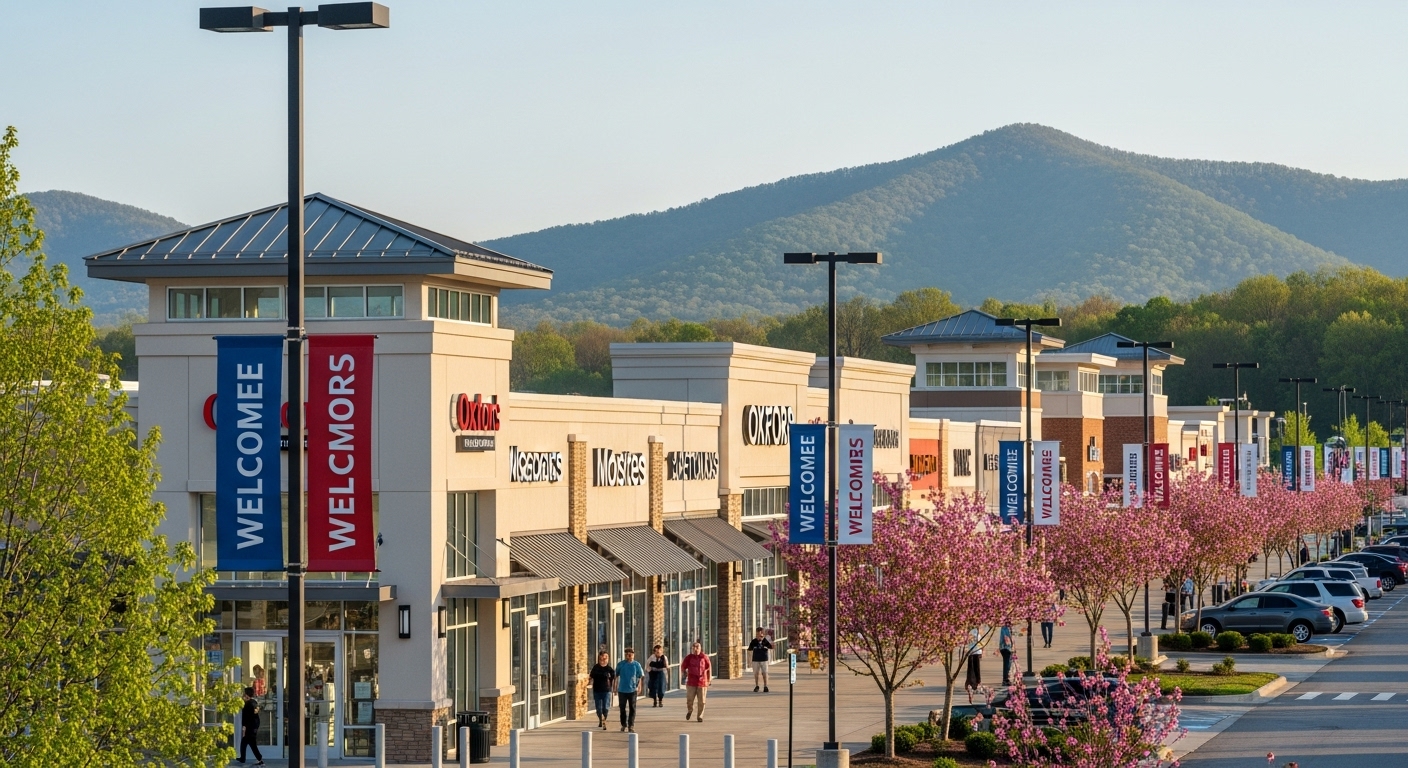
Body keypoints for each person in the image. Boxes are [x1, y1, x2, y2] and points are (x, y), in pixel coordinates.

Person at [614, 648, 645, 732]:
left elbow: (640, 676)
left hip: (632, 689)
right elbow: (616, 676)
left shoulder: (636, 665)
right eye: (627, 654)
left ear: (633, 655)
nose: (629, 656)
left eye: (630, 654)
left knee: (632, 708)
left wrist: (639, 686)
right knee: (622, 708)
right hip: (622, 690)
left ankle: (631, 725)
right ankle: (623, 724)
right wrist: (615, 687)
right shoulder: (621, 664)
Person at [682, 641, 711, 722]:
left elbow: (708, 669)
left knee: (702, 701)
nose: (695, 649)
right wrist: (684, 674)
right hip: (691, 682)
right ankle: (690, 710)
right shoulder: (689, 657)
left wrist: (709, 679)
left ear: (700, 648)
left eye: (697, 647)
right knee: (690, 699)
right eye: (694, 647)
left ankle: (700, 716)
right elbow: (683, 666)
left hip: (702, 682)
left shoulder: (704, 657)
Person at [238, 686, 265, 766]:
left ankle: (259, 759)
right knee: (247, 742)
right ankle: (244, 758)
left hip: (250, 727)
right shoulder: (254, 702)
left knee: (249, 743)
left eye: (244, 693)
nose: (243, 695)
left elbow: (246, 717)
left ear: (247, 695)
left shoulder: (247, 705)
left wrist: (244, 728)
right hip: (254, 726)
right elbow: (256, 712)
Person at [589, 651, 616, 729]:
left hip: (606, 690)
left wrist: (614, 689)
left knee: (605, 707)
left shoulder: (609, 669)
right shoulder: (596, 667)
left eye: (606, 658)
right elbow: (591, 677)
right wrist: (589, 683)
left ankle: (604, 719)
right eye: (602, 658)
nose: (604, 660)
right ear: (599, 658)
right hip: (597, 690)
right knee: (598, 708)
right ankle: (600, 719)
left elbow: (614, 679)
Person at [747, 628, 773, 693]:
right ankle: (757, 686)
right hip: (755, 659)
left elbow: (771, 647)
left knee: (765, 673)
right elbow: (749, 649)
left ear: (762, 634)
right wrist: (749, 660)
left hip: (764, 659)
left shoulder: (765, 641)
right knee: (756, 673)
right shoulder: (754, 641)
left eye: (760, 633)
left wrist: (764, 644)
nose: (759, 635)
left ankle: (765, 686)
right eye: (757, 633)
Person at [963, 628, 983, 694]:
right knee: (975, 670)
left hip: (973, 652)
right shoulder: (974, 632)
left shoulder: (973, 632)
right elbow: (978, 642)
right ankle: (975, 684)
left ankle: (973, 684)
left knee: (973, 670)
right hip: (974, 652)